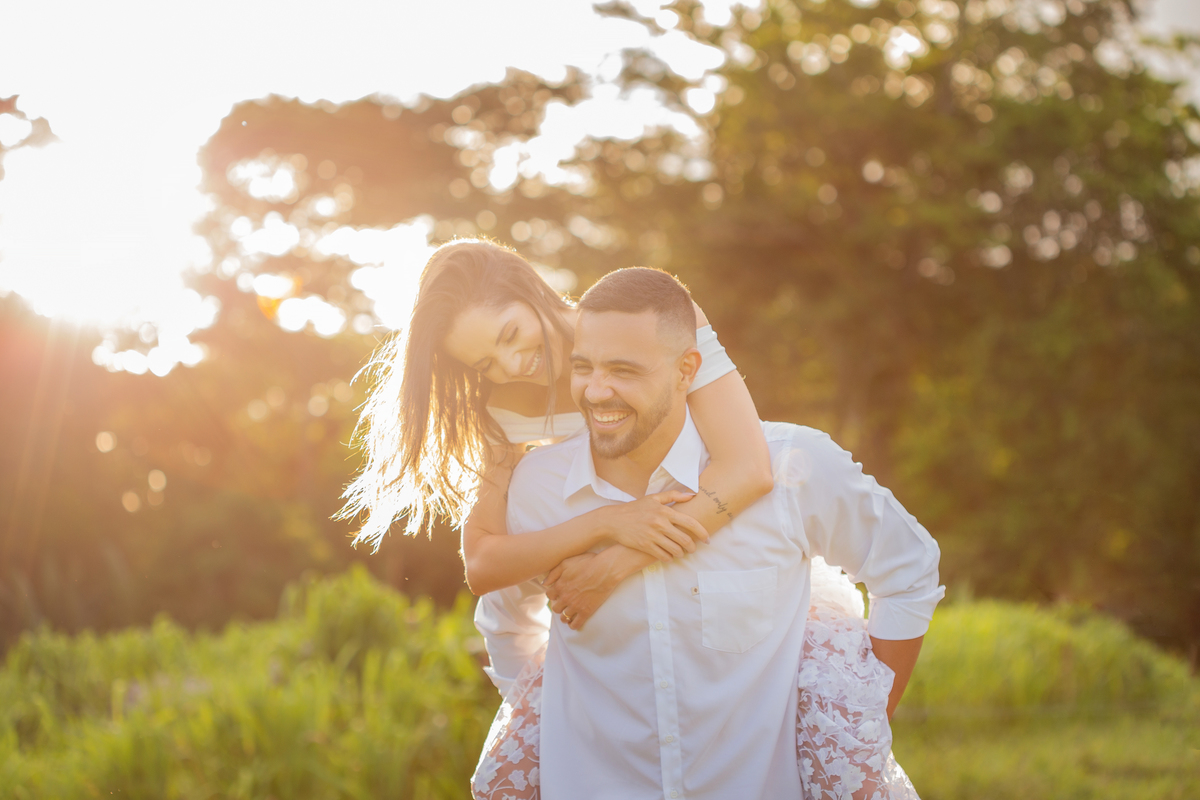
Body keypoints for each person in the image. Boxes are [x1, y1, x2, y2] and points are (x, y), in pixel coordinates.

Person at [341, 240, 932, 798]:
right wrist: (606, 526)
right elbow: (485, 563)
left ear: (531, 289)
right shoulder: (508, 417)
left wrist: (618, 562)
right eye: (486, 363)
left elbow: (748, 468)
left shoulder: (648, 320)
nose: (513, 364)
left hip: (708, 513)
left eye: (511, 334)